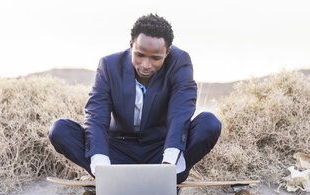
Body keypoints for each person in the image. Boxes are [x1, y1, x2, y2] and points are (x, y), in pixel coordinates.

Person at [49, 13, 221, 184]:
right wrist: (101, 165)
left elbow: (181, 109)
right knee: (60, 130)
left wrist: (169, 162)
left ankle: (171, 175)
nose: (146, 65)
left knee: (209, 123)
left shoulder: (180, 61)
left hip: (161, 149)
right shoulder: (109, 65)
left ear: (167, 52)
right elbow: (96, 116)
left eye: (155, 58)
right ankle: (110, 179)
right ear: (131, 46)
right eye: (140, 55)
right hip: (118, 150)